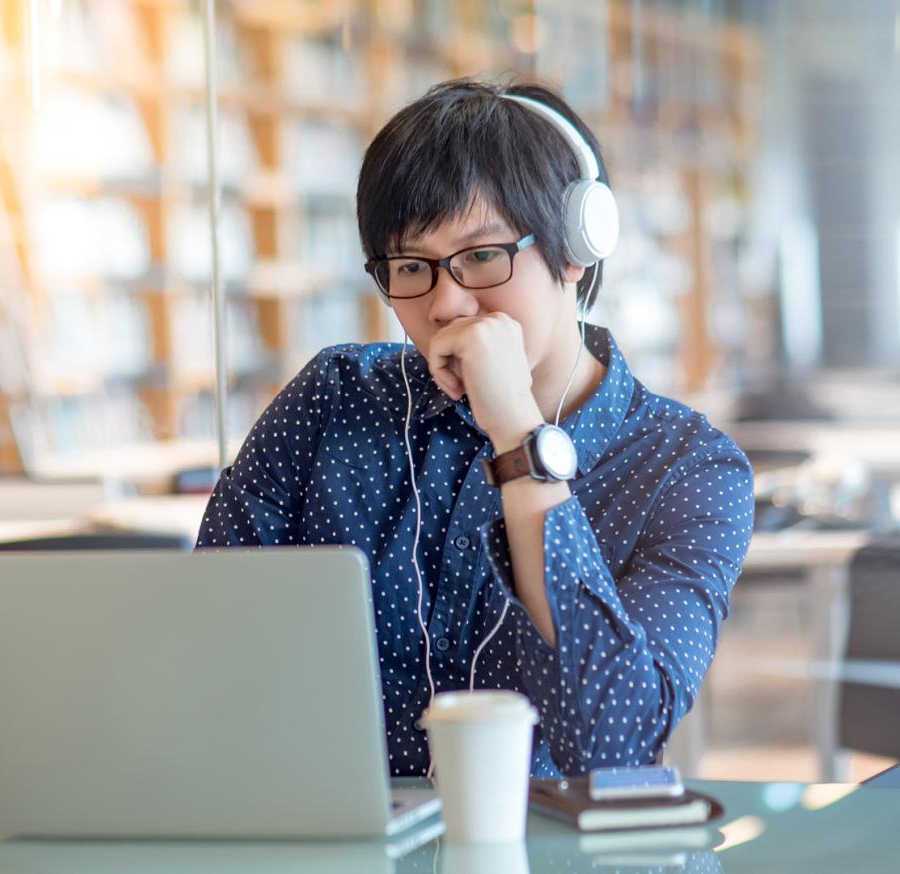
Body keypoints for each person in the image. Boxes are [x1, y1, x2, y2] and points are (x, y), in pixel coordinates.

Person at [195, 78, 755, 778]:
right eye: (411, 267)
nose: (447, 301)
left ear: (578, 249)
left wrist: (518, 433)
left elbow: (613, 748)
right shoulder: (332, 401)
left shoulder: (688, 470)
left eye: (484, 255)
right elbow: (203, 655)